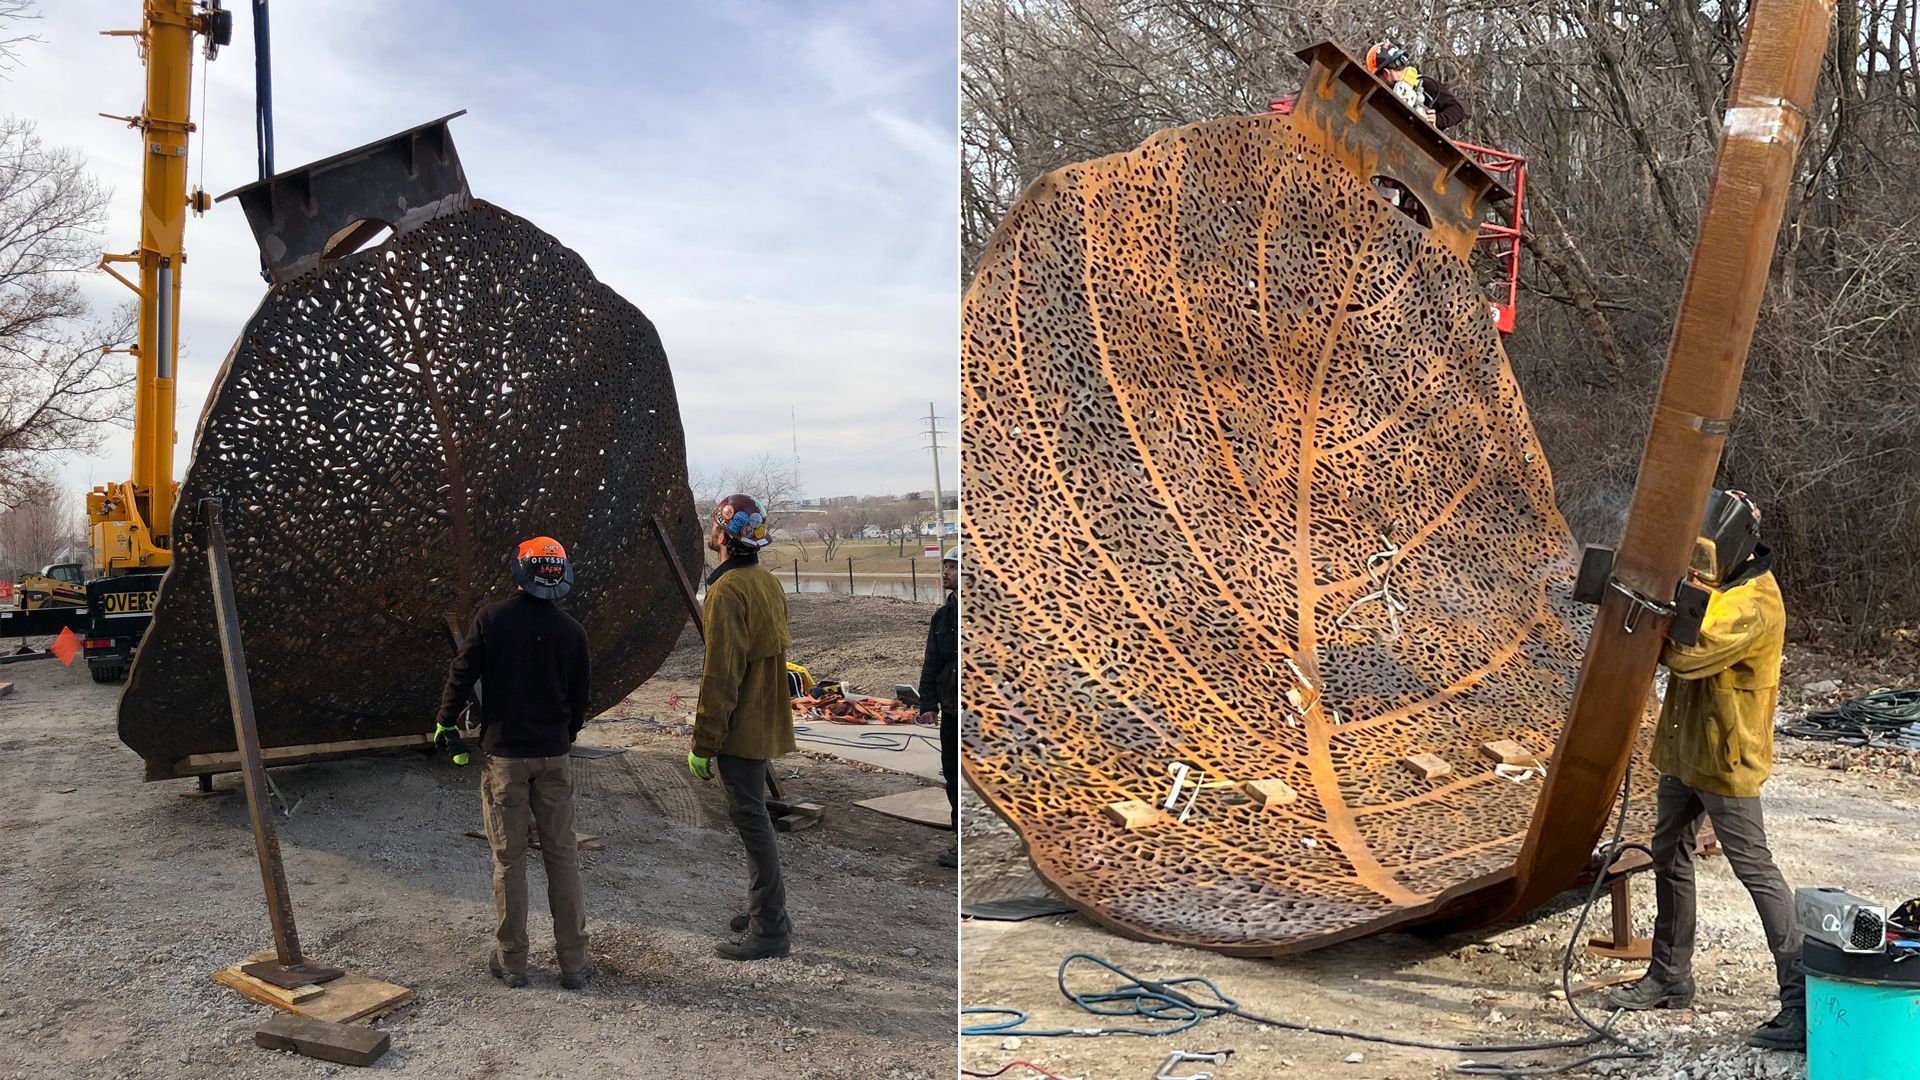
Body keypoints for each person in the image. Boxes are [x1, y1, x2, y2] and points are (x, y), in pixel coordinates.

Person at [1608, 490, 1804, 1051]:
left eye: (1705, 559)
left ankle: (1798, 999)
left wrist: (1645, 609)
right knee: (1669, 855)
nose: (1699, 569)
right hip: (1685, 750)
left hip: (1727, 758)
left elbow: (1687, 652)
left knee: (1756, 869)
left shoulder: (1753, 604)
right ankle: (1670, 975)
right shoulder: (1722, 585)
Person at [437, 535, 593, 990]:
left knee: (509, 860)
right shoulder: (573, 632)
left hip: (505, 757)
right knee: (563, 856)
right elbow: (580, 700)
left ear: (520, 571)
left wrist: (446, 722)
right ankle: (574, 963)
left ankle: (513, 962)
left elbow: (462, 674)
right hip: (554, 757)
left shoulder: (491, 620)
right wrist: (562, 737)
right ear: (560, 576)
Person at [688, 494, 798, 961]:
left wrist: (703, 741)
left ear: (722, 538)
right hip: (764, 720)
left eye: (715, 529)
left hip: (740, 730)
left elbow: (721, 674)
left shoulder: (727, 591)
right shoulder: (765, 582)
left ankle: (770, 928)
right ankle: (763, 908)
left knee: (752, 822)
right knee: (754, 820)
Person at [919, 545, 960, 869]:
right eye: (945, 566)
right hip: (951, 711)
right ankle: (961, 842)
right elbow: (931, 663)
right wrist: (928, 704)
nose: (945, 572)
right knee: (953, 776)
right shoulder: (943, 617)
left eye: (952, 567)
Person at [1366, 40, 1467, 131]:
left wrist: (1438, 119)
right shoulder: (1376, 97)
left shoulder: (1424, 85)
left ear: (1385, 72)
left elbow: (1458, 109)